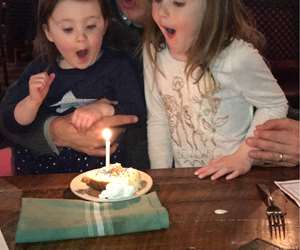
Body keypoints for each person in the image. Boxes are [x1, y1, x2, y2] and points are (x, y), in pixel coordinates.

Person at [143, 0, 288, 180]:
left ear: (212, 10)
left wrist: (244, 156)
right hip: (186, 180)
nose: (162, 12)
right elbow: (158, 118)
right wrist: (160, 177)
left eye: (178, 3)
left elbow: (275, 104)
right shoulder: (153, 51)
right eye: (157, 1)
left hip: (230, 180)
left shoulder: (237, 57)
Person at [0, 0, 145, 175]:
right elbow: (10, 121)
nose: (81, 37)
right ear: (48, 32)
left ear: (105, 25)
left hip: (103, 175)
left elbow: (137, 110)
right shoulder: (40, 69)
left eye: (90, 26)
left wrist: (104, 108)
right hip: (43, 175)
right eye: (68, 29)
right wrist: (31, 103)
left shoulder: (119, 65)